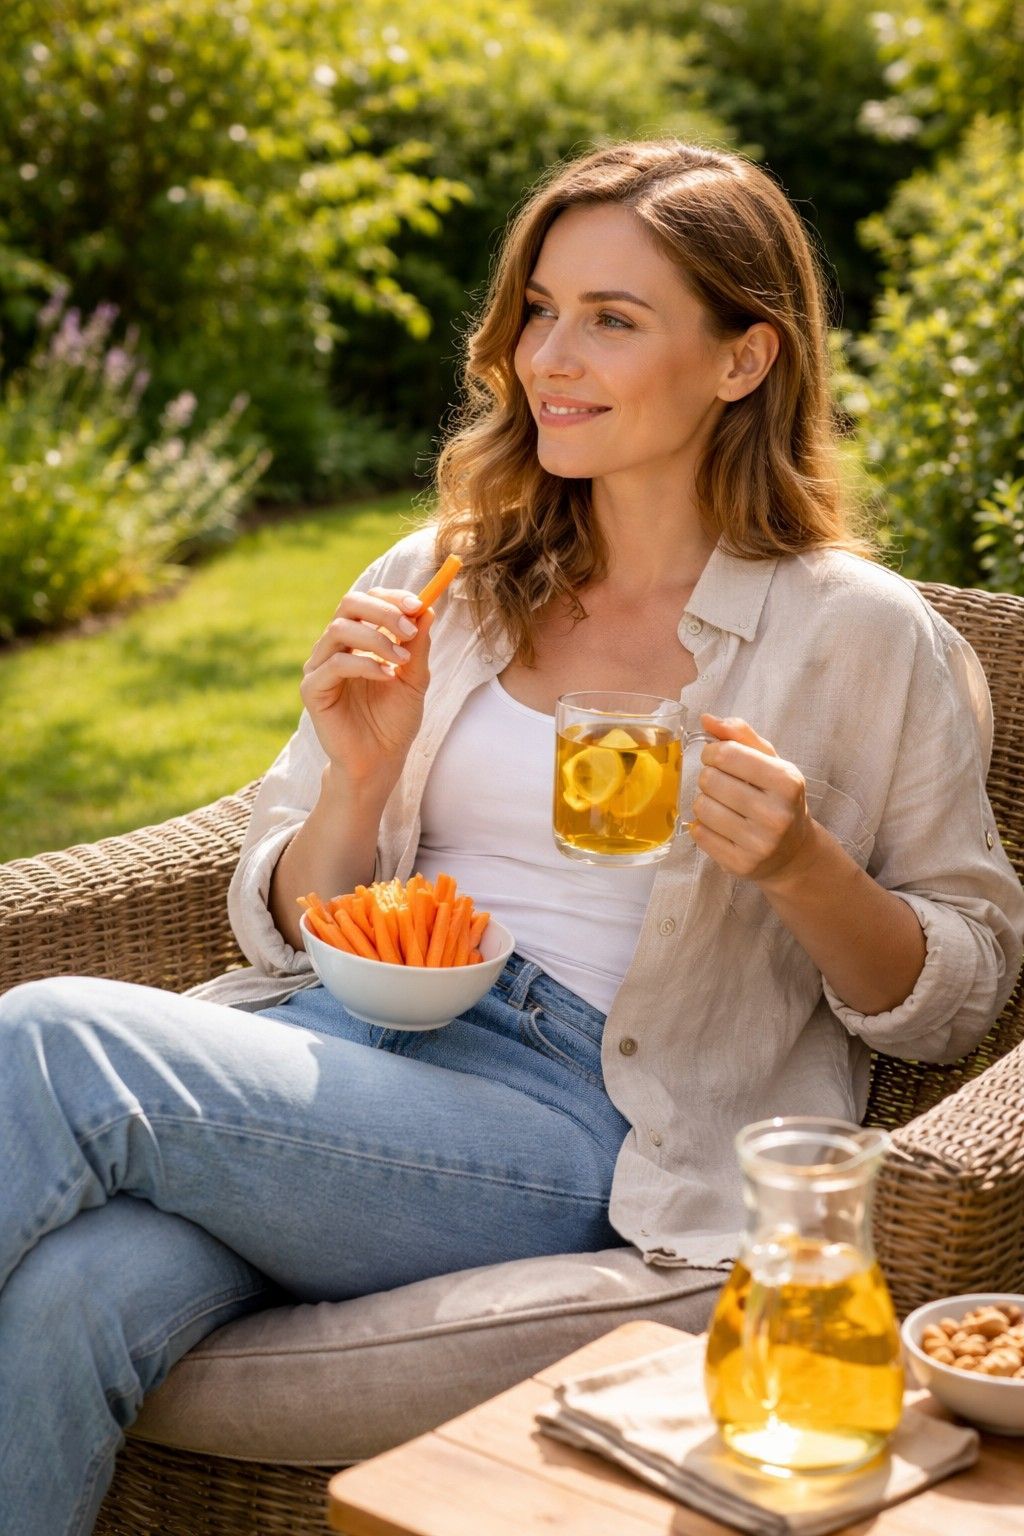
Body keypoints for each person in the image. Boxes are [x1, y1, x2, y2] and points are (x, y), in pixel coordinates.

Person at [2, 138, 1022, 1535]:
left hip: (582, 1113)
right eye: (542, 307)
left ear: (743, 358)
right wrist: (357, 781)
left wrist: (801, 866)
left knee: (54, 1034)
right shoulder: (447, 575)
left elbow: (958, 990)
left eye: (614, 317)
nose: (552, 353)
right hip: (349, 1044)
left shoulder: (856, 634)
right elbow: (297, 916)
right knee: (73, 1294)